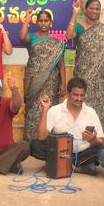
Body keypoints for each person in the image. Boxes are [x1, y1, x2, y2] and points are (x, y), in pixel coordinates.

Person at [30, 77, 104, 175]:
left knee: (101, 151)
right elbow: (41, 137)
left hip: (82, 154)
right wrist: (44, 110)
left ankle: (62, 164)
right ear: (68, 94)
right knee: (35, 145)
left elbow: (101, 141)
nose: (79, 99)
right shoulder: (55, 110)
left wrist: (93, 139)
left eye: (82, 95)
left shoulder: (91, 112)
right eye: (75, 95)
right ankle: (75, 166)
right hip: (59, 152)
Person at [66, 0, 104, 131]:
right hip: (82, 78)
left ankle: (97, 138)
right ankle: (79, 136)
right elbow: (69, 35)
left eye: (97, 9)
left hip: (101, 80)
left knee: (98, 111)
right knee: (81, 107)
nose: (94, 11)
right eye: (91, 8)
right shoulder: (79, 27)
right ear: (86, 9)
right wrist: (75, 13)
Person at [20, 8, 67, 144]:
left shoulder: (57, 42)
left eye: (46, 21)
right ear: (37, 23)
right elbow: (22, 37)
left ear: (50, 23)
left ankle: (47, 143)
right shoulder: (32, 37)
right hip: (33, 82)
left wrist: (63, 83)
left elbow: (61, 65)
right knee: (32, 111)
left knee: (48, 110)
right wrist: (27, 18)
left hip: (51, 82)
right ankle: (30, 142)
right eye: (40, 21)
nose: (43, 23)